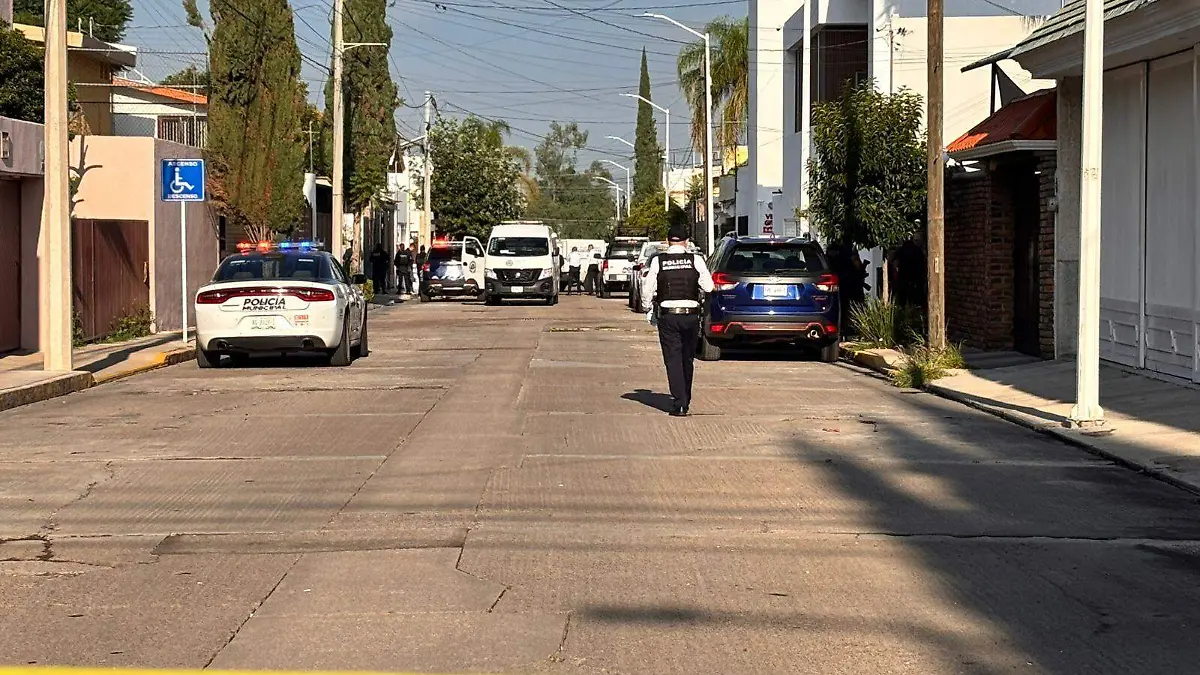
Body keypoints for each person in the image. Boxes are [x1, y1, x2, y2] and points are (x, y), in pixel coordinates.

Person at [640, 223, 714, 417]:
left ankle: (679, 402)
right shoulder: (696, 260)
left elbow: (647, 289)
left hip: (668, 315)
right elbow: (709, 286)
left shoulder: (658, 261)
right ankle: (685, 398)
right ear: (687, 242)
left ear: (667, 242)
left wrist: (648, 307)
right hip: (690, 315)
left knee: (672, 359)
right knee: (687, 358)